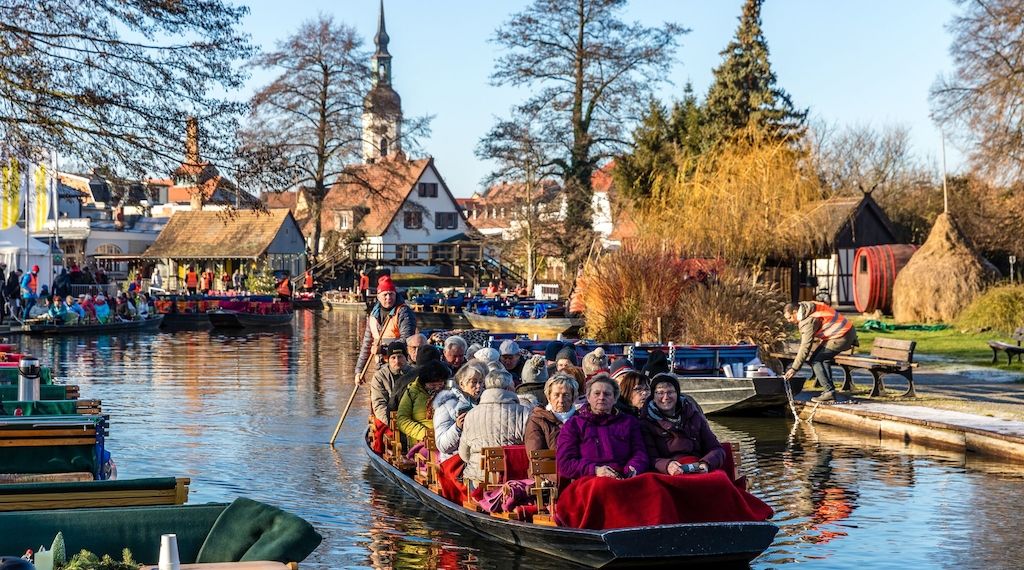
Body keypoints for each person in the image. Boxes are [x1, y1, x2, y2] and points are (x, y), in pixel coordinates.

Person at [556, 374, 648, 481]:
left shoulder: (629, 422)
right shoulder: (574, 425)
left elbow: (640, 453)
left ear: (615, 399)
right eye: (596, 393)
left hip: (624, 478)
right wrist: (595, 470)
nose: (601, 397)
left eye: (607, 394)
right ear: (588, 397)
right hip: (589, 480)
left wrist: (633, 468)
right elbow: (565, 463)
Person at [458, 369, 534, 491]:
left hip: (478, 481)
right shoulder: (525, 413)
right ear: (509, 388)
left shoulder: (471, 414)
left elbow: (464, 454)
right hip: (516, 483)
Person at [640, 373, 725, 475]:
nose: (666, 397)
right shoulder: (646, 423)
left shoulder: (694, 416)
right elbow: (651, 457)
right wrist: (667, 465)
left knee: (719, 479)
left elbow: (716, 448)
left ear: (678, 394)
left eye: (670, 392)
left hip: (698, 467)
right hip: (667, 473)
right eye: (660, 393)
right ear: (653, 396)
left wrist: (706, 463)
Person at [782, 301, 859, 403]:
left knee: (816, 361)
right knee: (821, 359)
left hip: (841, 336)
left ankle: (829, 392)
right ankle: (829, 391)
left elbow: (805, 346)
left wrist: (794, 368)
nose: (789, 321)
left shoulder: (808, 321)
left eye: (790, 318)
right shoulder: (808, 307)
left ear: (795, 312)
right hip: (845, 331)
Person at [354, 275, 416, 384]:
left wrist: (383, 350)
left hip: (400, 366)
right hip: (380, 366)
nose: (388, 297)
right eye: (385, 294)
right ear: (378, 296)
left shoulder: (403, 312)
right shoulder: (373, 315)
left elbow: (407, 340)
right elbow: (367, 344)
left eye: (391, 294)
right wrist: (359, 370)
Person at [524, 373, 579, 481]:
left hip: (578, 473)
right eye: (556, 395)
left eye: (566, 395)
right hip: (546, 477)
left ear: (573, 397)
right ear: (549, 397)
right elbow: (537, 455)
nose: (561, 400)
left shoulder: (581, 419)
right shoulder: (537, 419)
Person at [433, 360, 487, 462]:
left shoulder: (486, 402)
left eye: (481, 382)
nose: (478, 386)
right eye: (474, 382)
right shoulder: (446, 404)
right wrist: (457, 428)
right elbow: (442, 445)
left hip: (482, 458)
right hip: (456, 461)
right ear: (462, 384)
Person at [396, 360, 450, 443]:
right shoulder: (412, 392)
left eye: (440, 384)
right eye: (432, 385)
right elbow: (402, 420)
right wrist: (424, 433)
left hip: (447, 436)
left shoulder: (450, 392)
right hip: (422, 440)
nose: (437, 388)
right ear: (424, 383)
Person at [369, 341, 413, 425]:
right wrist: (391, 423)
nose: (397, 361)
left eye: (400, 357)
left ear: (406, 357)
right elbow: (379, 404)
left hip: (411, 417)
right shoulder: (380, 377)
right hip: (390, 418)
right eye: (393, 358)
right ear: (388, 360)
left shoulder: (415, 373)